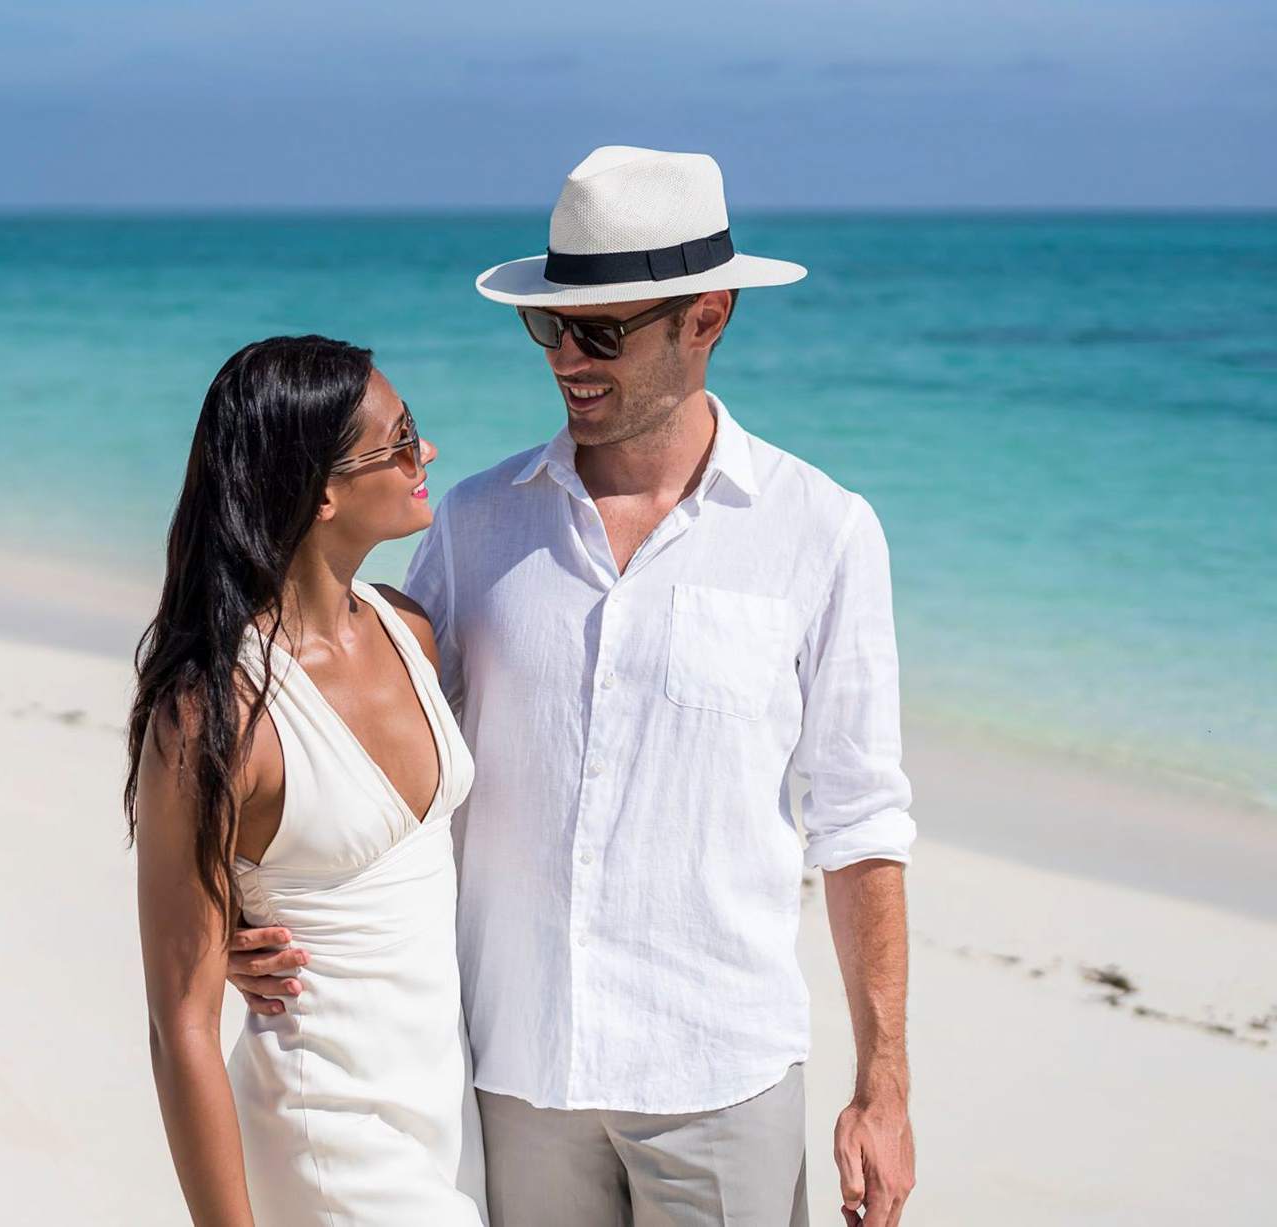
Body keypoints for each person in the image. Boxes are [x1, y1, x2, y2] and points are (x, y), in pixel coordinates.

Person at [229, 148, 918, 1227]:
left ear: (708, 318)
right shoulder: (473, 521)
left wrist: (883, 1086)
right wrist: (241, 899)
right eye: (547, 325)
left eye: (601, 331)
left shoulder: (821, 534)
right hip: (513, 1073)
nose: (565, 358)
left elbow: (860, 818)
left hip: (719, 1076)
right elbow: (370, 744)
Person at [127, 335, 488, 1225]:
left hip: (448, 1120)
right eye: (399, 440)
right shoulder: (215, 717)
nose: (426, 453)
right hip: (326, 1135)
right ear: (320, 491)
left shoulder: (412, 629)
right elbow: (182, 1027)